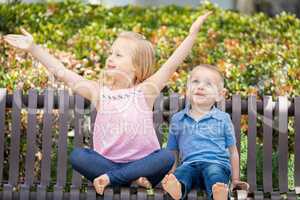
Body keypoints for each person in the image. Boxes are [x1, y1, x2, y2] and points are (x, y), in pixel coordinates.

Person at [4, 12, 212, 195]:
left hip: (144, 166)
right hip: (106, 164)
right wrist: (33, 49)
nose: (111, 58)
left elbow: (173, 63)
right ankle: (129, 179)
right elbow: (61, 73)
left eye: (118, 55)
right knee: (78, 156)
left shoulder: (145, 91)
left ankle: (115, 179)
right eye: (110, 53)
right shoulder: (99, 92)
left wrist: (192, 34)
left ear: (137, 67)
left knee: (165, 157)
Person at [162, 65, 248, 200]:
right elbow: (173, 150)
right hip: (189, 165)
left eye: (208, 84)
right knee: (183, 173)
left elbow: (233, 151)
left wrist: (235, 179)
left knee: (215, 175)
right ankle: (177, 190)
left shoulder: (223, 119)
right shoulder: (178, 119)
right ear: (187, 89)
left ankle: (218, 195)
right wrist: (172, 173)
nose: (200, 86)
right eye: (195, 82)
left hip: (216, 164)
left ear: (220, 95)